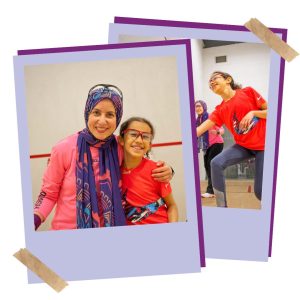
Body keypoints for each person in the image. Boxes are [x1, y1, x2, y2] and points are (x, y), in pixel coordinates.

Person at [33, 84, 173, 230]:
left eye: (110, 115)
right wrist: (33, 221)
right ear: (88, 113)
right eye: (96, 113)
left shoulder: (120, 147)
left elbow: (141, 160)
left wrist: (169, 170)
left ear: (117, 118)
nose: (102, 121)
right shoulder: (64, 148)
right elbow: (48, 195)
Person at [196, 71, 267, 207]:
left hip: (264, 146)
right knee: (215, 163)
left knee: (260, 192)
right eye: (209, 83)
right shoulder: (219, 110)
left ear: (228, 80)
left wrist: (253, 113)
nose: (211, 82)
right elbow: (199, 130)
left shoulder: (248, 92)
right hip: (244, 146)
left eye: (214, 78)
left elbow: (272, 112)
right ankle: (222, 209)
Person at [118, 117, 178, 225]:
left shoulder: (157, 171)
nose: (139, 140)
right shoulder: (112, 171)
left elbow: (172, 206)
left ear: (150, 145)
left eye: (145, 136)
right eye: (133, 134)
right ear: (121, 140)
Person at [195, 100, 224, 198]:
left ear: (204, 107)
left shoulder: (210, 117)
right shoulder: (197, 120)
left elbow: (221, 129)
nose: (198, 108)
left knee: (210, 165)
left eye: (199, 106)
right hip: (206, 146)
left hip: (217, 143)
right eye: (196, 107)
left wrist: (218, 132)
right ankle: (213, 189)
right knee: (207, 166)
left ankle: (211, 191)